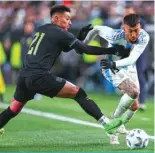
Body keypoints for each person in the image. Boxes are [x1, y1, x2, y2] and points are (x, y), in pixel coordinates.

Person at [0, 5, 131, 135]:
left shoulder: (43, 28)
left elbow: (67, 47)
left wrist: (79, 36)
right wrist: (113, 50)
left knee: (13, 110)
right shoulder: (60, 32)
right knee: (79, 93)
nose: (70, 22)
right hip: (39, 76)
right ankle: (107, 124)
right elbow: (84, 50)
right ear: (56, 18)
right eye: (67, 19)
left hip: (24, 76)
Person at [84, 13, 150, 144]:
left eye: (136, 30)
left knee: (135, 106)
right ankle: (113, 128)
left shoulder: (144, 36)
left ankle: (116, 124)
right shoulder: (114, 35)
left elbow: (132, 59)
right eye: (130, 31)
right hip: (111, 68)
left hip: (127, 66)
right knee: (134, 92)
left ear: (140, 27)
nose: (133, 35)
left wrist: (114, 63)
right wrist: (82, 44)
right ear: (123, 28)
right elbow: (96, 29)